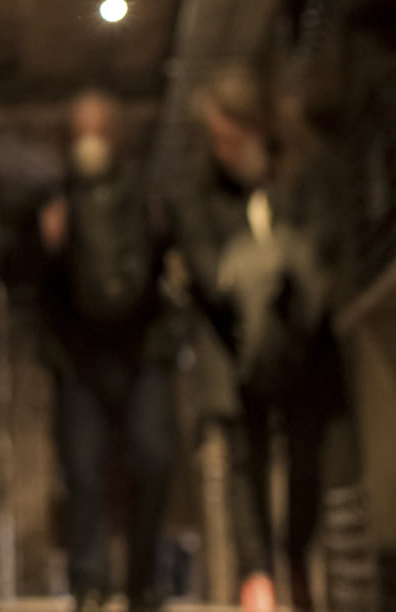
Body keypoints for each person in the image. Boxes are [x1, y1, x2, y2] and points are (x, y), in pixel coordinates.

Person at [170, 63, 358, 612]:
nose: (223, 149)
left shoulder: (308, 172)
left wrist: (288, 279)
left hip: (302, 341)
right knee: (241, 462)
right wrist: (251, 276)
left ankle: (295, 555)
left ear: (259, 126)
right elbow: (204, 266)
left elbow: (325, 243)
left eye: (231, 136)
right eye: (217, 139)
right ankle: (257, 575)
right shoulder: (198, 190)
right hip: (229, 348)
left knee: (306, 452)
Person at [39, 89, 178, 612]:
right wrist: (46, 247)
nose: (89, 141)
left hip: (144, 350)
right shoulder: (51, 201)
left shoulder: (147, 195)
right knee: (83, 470)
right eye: (80, 131)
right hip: (77, 355)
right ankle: (90, 583)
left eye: (97, 130)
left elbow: (174, 270)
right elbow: (29, 284)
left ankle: (142, 577)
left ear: (115, 135)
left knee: (154, 457)